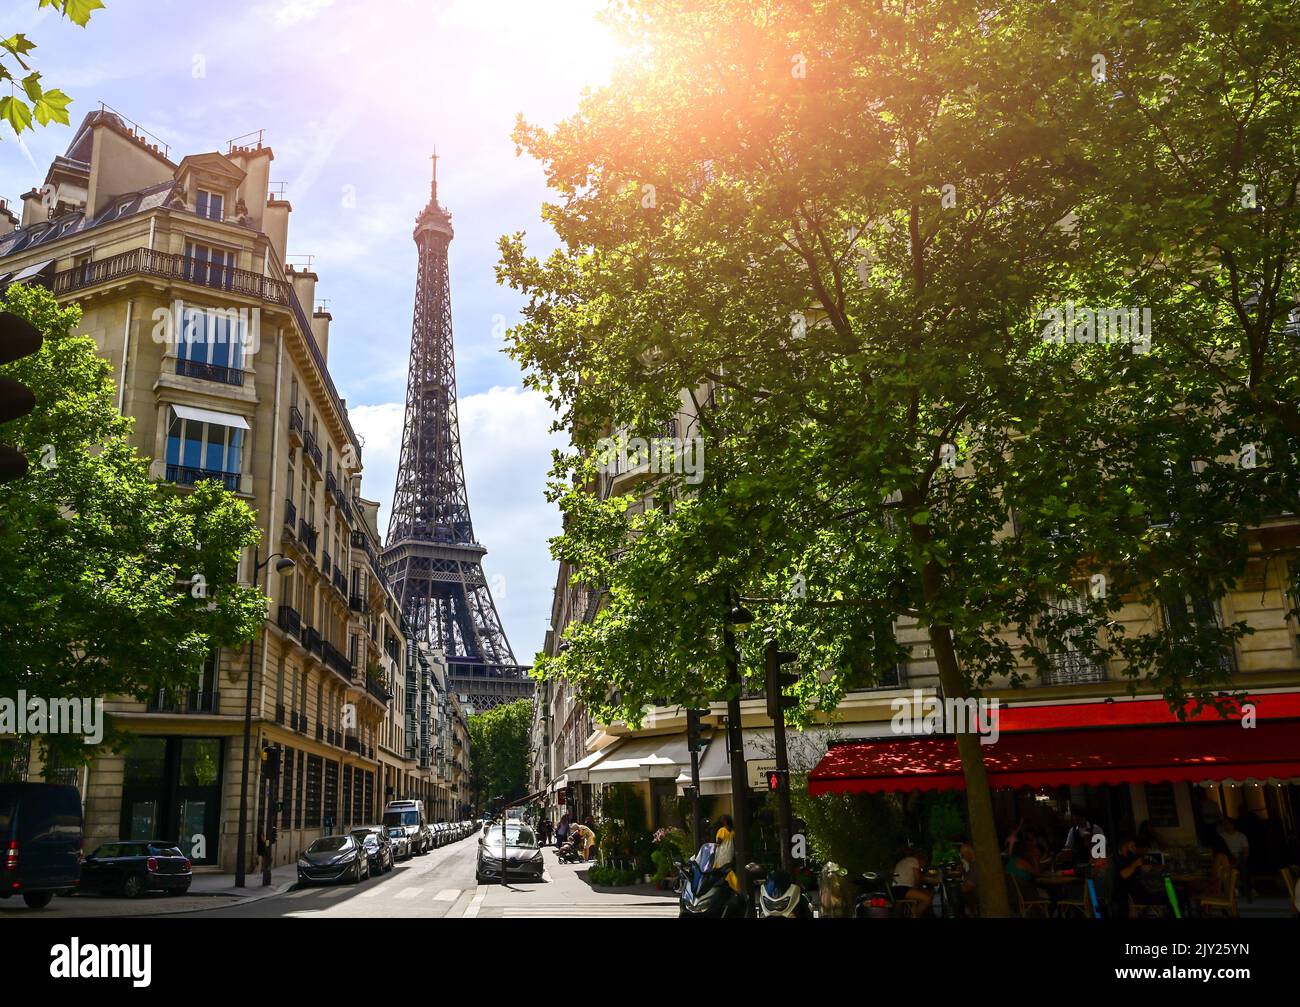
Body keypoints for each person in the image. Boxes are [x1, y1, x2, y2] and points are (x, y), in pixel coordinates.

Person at [1112, 834, 1166, 917]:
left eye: (1134, 846)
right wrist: (1135, 864)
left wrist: (1156, 867)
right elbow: (1123, 875)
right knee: (1172, 897)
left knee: (1174, 892)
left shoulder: (1131, 859)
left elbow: (1144, 868)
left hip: (1146, 892)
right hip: (1138, 897)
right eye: (1132, 846)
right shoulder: (1120, 860)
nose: (1134, 848)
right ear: (1124, 847)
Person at [891, 847, 934, 918]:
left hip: (897, 888)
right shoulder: (914, 860)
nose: (922, 867)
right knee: (927, 899)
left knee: (926, 893)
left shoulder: (905, 860)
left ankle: (914, 914)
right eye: (924, 864)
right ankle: (915, 915)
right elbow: (917, 879)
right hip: (902, 889)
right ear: (922, 860)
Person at [713, 815, 740, 893]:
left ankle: (736, 885)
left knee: (723, 870)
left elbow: (718, 842)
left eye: (722, 819)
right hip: (730, 852)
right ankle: (730, 886)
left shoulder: (722, 830)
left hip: (722, 853)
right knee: (727, 869)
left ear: (725, 821)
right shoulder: (732, 831)